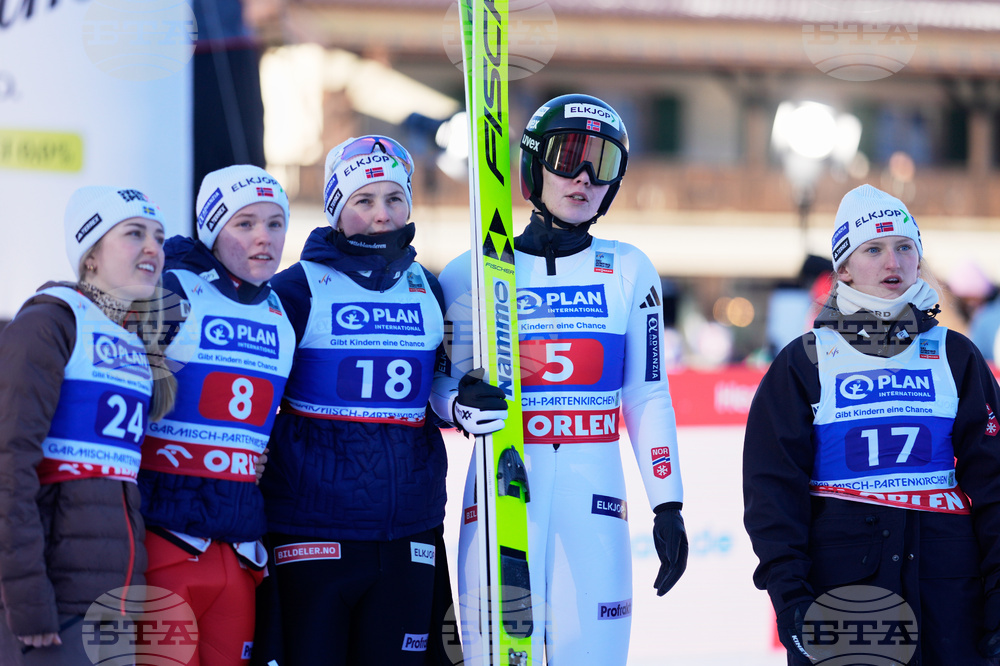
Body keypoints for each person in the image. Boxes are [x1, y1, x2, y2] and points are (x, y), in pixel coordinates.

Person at [433, 93, 688, 664]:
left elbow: (646, 394)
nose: (583, 177)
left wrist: (667, 504)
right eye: (567, 155)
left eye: (603, 163)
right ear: (531, 165)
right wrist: (458, 407)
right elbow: (440, 388)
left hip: (593, 492)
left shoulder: (628, 269)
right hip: (501, 489)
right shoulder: (470, 272)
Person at [743, 184, 1000, 665]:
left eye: (906, 248)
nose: (893, 263)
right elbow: (772, 495)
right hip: (844, 604)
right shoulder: (804, 364)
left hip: (949, 602)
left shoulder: (955, 355)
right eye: (874, 249)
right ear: (843, 267)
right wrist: (792, 601)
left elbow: (994, 484)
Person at [259, 136, 472, 665]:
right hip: (313, 530)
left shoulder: (428, 286)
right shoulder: (296, 289)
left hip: (409, 528)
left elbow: (434, 390)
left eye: (394, 199)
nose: (383, 214)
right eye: (364, 200)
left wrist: (462, 404)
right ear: (337, 207)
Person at [0, 186, 175, 663]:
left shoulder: (134, 345)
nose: (153, 249)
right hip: (49, 605)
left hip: (112, 600)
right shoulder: (49, 323)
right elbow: (7, 464)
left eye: (159, 237)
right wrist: (27, 598)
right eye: (134, 233)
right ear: (91, 255)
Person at [137, 165, 294, 665]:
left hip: (240, 540)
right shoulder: (171, 292)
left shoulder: (280, 315)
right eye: (244, 223)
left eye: (274, 224)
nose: (263, 238)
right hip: (165, 534)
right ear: (211, 227)